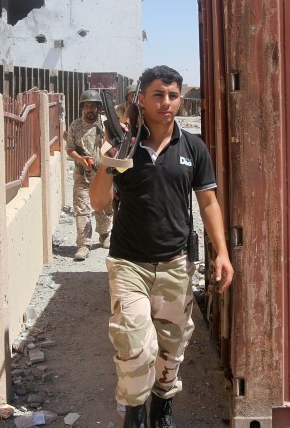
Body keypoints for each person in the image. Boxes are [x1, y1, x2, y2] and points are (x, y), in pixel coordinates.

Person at [90, 66, 234, 428]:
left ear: (179, 100)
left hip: (175, 264)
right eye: (158, 94)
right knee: (135, 346)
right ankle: (135, 414)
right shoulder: (125, 143)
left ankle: (162, 408)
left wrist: (223, 253)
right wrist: (109, 162)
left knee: (171, 348)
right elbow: (97, 202)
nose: (166, 102)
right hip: (129, 264)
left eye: (172, 95)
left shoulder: (193, 148)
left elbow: (209, 203)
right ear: (142, 98)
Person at [66, 89, 113, 261]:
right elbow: (69, 149)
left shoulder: (106, 124)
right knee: (82, 209)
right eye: (87, 106)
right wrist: (80, 158)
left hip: (103, 175)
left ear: (99, 108)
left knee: (105, 208)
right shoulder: (76, 126)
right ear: (82, 108)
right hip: (82, 176)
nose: (90, 109)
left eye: (93, 106)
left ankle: (104, 233)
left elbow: (116, 144)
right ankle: (84, 244)